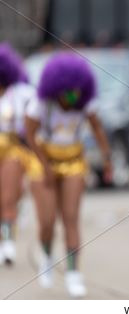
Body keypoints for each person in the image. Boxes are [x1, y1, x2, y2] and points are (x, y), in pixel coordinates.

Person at [25, 52, 112, 298]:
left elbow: (97, 129)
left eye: (77, 90)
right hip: (44, 162)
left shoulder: (84, 103)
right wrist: (46, 166)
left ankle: (74, 273)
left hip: (74, 162)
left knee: (71, 218)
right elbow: (30, 135)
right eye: (68, 91)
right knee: (47, 222)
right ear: (57, 87)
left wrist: (107, 159)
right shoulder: (41, 103)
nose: (73, 95)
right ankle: (46, 256)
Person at [0, 43, 35, 265]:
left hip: (12, 150)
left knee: (8, 197)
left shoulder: (21, 94)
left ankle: (8, 243)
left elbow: (32, 125)